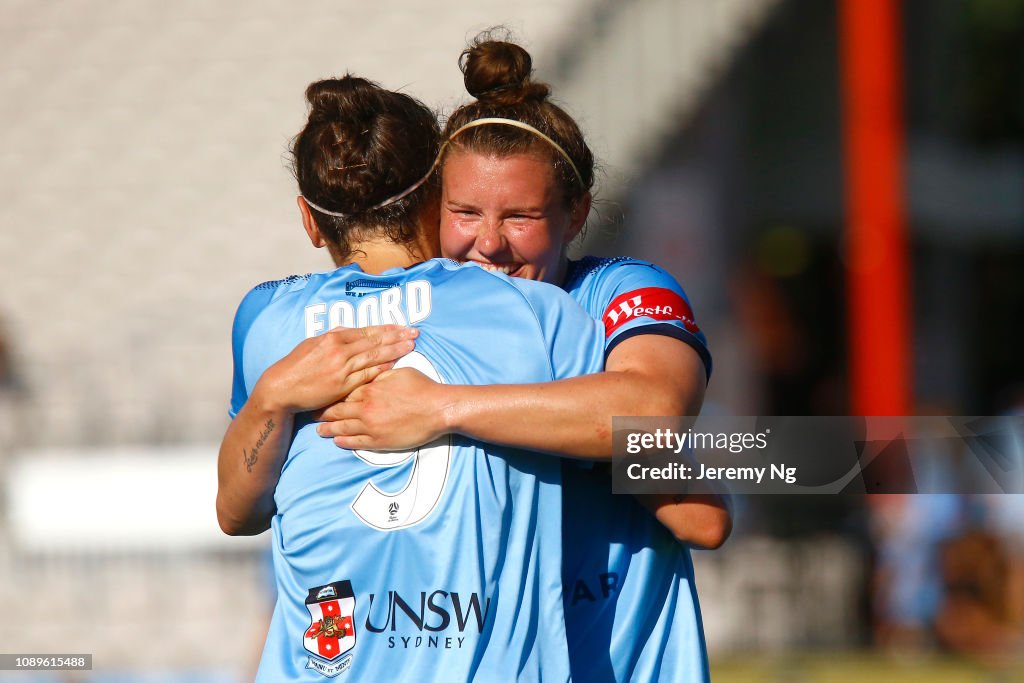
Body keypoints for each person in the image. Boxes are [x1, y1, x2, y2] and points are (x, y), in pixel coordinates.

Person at [317, 36, 730, 682]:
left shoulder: (619, 291)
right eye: (465, 211)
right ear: (432, 210)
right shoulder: (410, 315)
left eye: (522, 216)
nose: (489, 242)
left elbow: (656, 416)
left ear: (577, 214)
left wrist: (443, 409)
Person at [217, 75, 609, 681]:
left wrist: (270, 397)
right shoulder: (537, 311)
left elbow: (236, 513)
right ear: (437, 195)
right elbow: (657, 446)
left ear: (310, 221)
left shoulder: (268, 322)